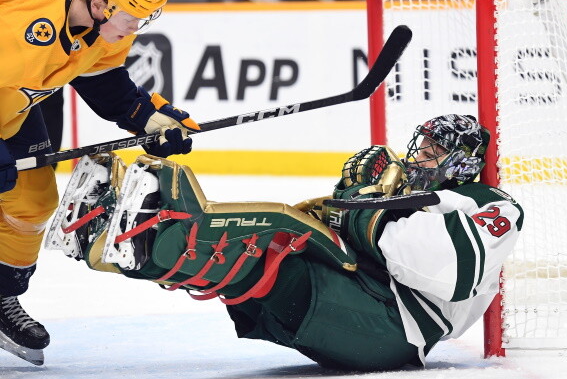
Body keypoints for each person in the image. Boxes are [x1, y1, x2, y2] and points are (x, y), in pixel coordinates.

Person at [45, 113, 523, 370]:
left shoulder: (490, 205)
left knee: (271, 242)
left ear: (462, 163)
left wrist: (359, 200)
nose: (419, 156)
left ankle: (146, 236)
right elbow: (357, 230)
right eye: (421, 144)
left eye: (435, 150)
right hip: (365, 307)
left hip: (393, 332)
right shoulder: (413, 192)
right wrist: (350, 200)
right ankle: (124, 246)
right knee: (268, 244)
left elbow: (445, 268)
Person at [0, 0, 200, 366]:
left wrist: (148, 117)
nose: (133, 29)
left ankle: (0, 298)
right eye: (130, 17)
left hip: (12, 109)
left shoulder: (101, 19)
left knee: (33, 203)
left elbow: (102, 77)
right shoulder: (21, 27)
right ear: (100, 0)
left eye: (142, 19)